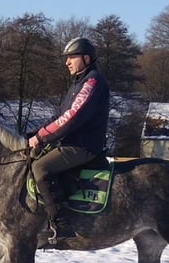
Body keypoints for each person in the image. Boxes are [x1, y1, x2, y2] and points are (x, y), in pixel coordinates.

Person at [28, 37, 110, 243]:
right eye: (67, 58)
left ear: (86, 58)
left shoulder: (92, 82)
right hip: (71, 143)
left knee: (40, 168)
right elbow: (59, 116)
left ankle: (61, 225)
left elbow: (71, 117)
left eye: (72, 57)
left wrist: (42, 137)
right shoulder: (78, 84)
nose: (67, 62)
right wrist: (34, 134)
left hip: (83, 145)